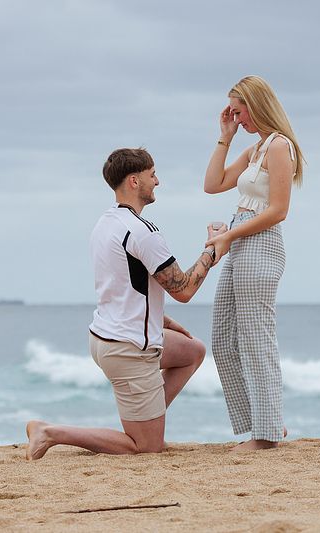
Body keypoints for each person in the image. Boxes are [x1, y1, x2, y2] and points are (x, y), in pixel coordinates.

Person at [26, 147, 227, 460]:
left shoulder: (105, 224)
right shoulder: (143, 232)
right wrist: (213, 250)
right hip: (129, 349)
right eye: (152, 175)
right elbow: (184, 290)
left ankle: (148, 415)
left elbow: (125, 287)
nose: (157, 181)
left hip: (105, 337)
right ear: (134, 181)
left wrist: (163, 320)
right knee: (146, 447)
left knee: (192, 351)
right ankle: (50, 432)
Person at [203, 75, 306, 451]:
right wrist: (226, 137)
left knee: (256, 337)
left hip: (260, 243)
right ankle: (265, 422)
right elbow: (212, 185)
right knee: (223, 337)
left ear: (256, 104)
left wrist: (230, 235)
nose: (235, 114)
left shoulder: (280, 146)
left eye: (238, 108)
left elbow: (279, 210)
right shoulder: (257, 148)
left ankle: (264, 437)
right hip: (240, 240)